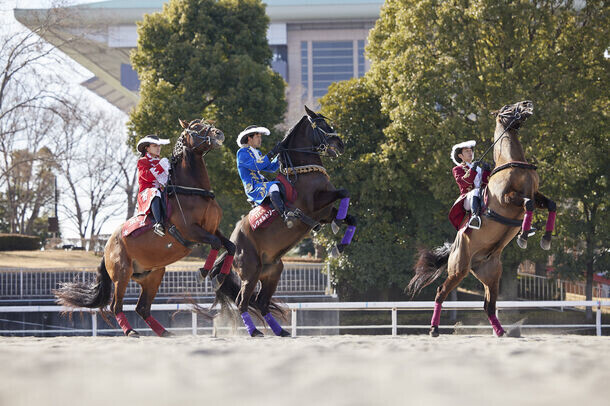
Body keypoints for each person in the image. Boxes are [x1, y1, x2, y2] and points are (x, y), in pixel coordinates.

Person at [236, 125, 296, 227]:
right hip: (253, 188)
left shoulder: (257, 152)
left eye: (260, 137)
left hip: (262, 184)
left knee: (283, 184)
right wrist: (272, 152)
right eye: (257, 137)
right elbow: (256, 165)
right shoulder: (242, 152)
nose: (260, 139)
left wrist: (279, 155)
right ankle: (285, 215)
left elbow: (271, 168)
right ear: (249, 138)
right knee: (273, 186)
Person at [449, 140, 492, 230]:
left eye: (471, 151)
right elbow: (464, 183)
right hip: (467, 199)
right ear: (460, 156)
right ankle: (474, 217)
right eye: (466, 151)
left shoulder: (478, 168)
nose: (470, 153)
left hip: (481, 194)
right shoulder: (457, 169)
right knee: (475, 191)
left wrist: (487, 171)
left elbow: (485, 183)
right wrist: (472, 170)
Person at [136, 135, 171, 236]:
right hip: (146, 194)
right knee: (155, 192)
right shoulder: (142, 161)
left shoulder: (162, 162)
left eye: (159, 146)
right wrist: (160, 166)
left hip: (159, 191)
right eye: (155, 146)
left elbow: (167, 181)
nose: (158, 148)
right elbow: (147, 176)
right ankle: (158, 223)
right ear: (147, 148)